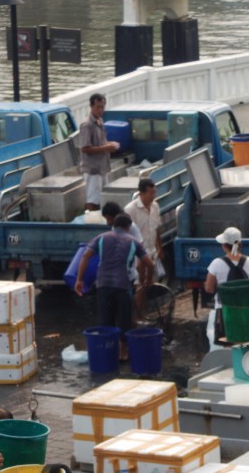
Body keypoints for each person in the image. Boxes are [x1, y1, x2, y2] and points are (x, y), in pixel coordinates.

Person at [74, 213, 155, 361]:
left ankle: (108, 352)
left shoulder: (101, 238)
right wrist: (147, 280)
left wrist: (79, 280)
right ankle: (123, 352)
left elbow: (85, 256)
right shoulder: (134, 241)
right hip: (123, 285)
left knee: (106, 318)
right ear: (128, 227)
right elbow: (149, 264)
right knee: (125, 319)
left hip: (103, 284)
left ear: (113, 225)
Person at [204, 227, 249, 351]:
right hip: (246, 312)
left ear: (224, 246)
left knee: (228, 347)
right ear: (240, 244)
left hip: (225, 314)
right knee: (247, 345)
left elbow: (208, 288)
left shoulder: (216, 264)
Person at [125, 178, 163, 319]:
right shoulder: (130, 210)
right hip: (137, 254)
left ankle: (139, 315)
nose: (153, 196)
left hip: (152, 251)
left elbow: (157, 228)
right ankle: (134, 317)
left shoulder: (155, 206)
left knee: (147, 285)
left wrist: (160, 247)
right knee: (139, 286)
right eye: (151, 192)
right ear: (142, 193)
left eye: (154, 192)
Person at [79, 93, 119, 211]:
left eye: (102, 107)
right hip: (93, 169)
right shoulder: (87, 125)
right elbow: (85, 148)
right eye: (98, 107)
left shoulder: (100, 121)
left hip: (103, 167)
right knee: (93, 200)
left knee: (103, 198)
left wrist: (110, 144)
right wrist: (106, 148)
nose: (101, 110)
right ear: (91, 107)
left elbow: (101, 143)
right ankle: (90, 222)